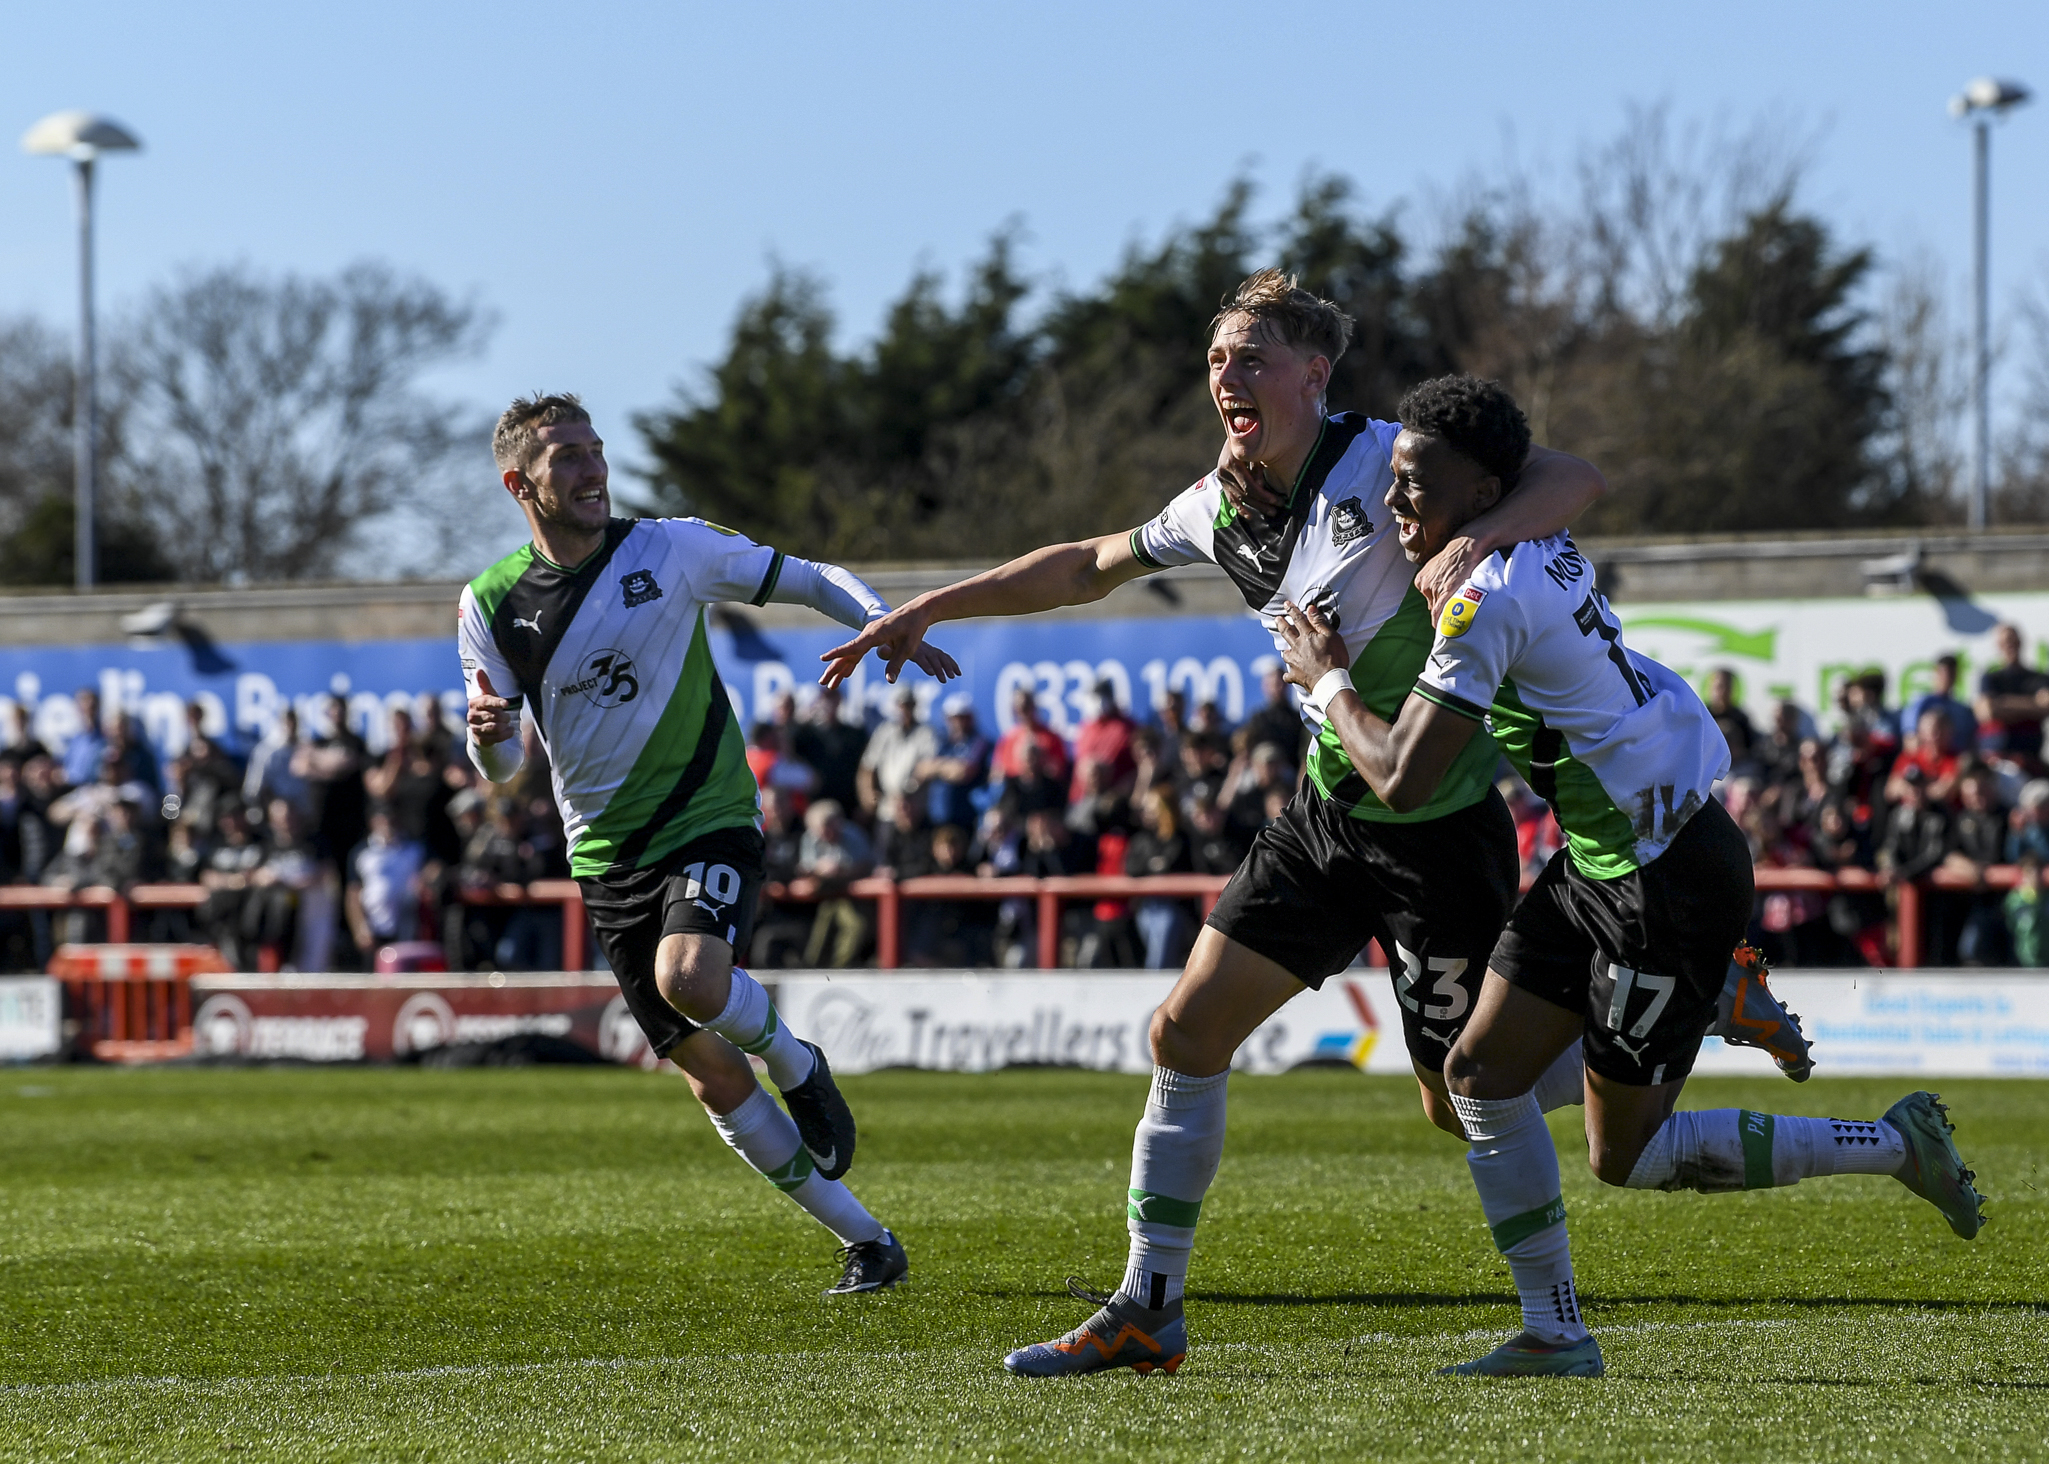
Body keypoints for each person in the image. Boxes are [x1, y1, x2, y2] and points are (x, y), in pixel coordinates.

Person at [822, 271, 1620, 1377]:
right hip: (1326, 816)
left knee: (1467, 1103)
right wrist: (929, 605)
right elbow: (1085, 565)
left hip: (1439, 835)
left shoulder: (1389, 460)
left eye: (1251, 357)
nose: (1226, 377)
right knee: (1185, 1033)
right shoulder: (1216, 505)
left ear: (1313, 374)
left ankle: (1587, 1217)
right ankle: (1150, 1308)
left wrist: (1470, 544)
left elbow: (1571, 475)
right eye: (1216, 360)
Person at [1272, 372, 1982, 1380]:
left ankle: (1896, 1144)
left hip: (1667, 880)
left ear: (1480, 494)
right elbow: (1563, 476)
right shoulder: (1509, 535)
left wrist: (1329, 681)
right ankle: (1555, 1329)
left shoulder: (1484, 598)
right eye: (1392, 481)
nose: (1394, 505)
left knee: (1627, 1157)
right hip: (1604, 858)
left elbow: (1401, 775)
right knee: (1471, 1081)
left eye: (1415, 486)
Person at [460, 392, 952, 1294]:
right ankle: (867, 1241)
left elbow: (805, 575)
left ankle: (801, 1066)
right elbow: (497, 768)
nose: (591, 467)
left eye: (594, 448)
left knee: (689, 978)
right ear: (518, 482)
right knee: (706, 1072)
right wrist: (487, 733)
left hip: (704, 813)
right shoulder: (487, 600)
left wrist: (879, 617)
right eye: (566, 455)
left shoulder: (667, 548)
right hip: (604, 854)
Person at [345, 804, 428, 955]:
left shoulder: (415, 849)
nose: (387, 826)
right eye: (382, 821)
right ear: (373, 823)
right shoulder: (362, 853)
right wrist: (359, 928)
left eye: (391, 821)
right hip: (374, 928)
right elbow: (353, 893)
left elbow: (433, 869)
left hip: (408, 926)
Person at [857, 685, 935, 827]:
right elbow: (868, 765)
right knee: (883, 847)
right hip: (888, 808)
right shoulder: (885, 731)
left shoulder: (926, 733)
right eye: (901, 705)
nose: (904, 709)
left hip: (914, 809)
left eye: (908, 705)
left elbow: (927, 767)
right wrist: (868, 794)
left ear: (914, 706)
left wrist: (907, 790)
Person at [1976, 624, 2048, 770]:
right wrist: (2031, 705)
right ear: (1999, 646)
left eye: (2013, 641)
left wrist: (2002, 703)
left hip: (2031, 758)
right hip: (1998, 759)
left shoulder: (2038, 678)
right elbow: (1988, 712)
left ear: (2020, 643)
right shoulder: (1991, 678)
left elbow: (2045, 707)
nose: (2010, 646)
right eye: (2005, 642)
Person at [1904, 655, 1976, 754]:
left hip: (1955, 761)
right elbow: (1910, 739)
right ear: (1935, 674)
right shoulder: (1921, 704)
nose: (1947, 678)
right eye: (1943, 673)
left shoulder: (1962, 710)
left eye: (1951, 674)